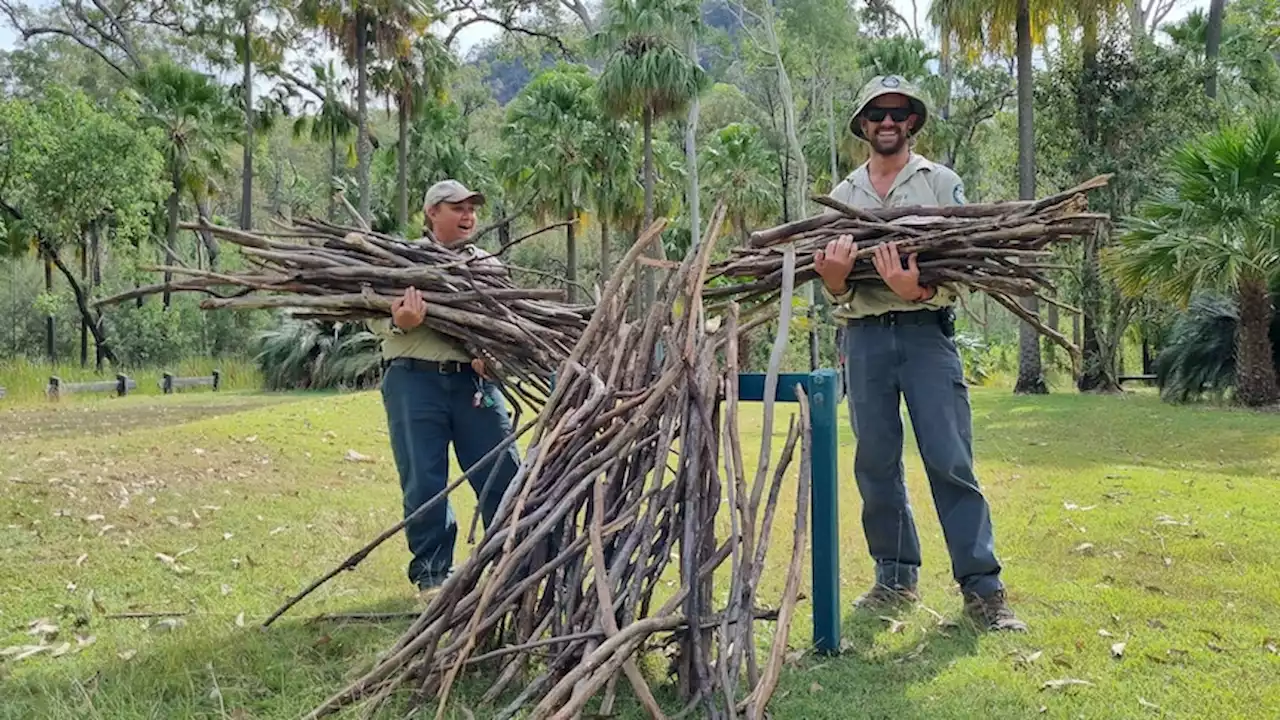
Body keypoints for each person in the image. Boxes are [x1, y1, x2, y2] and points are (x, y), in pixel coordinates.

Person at [813, 75, 1027, 632]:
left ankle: (984, 590)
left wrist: (919, 292)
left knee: (949, 459)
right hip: (862, 341)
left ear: (912, 122)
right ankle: (894, 577)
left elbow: (963, 269)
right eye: (877, 114)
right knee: (875, 462)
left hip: (926, 334)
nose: (887, 122)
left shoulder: (940, 183)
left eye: (898, 113)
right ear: (863, 125)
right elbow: (838, 287)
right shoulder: (843, 195)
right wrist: (834, 282)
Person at [369, 179, 522, 601]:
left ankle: (512, 565)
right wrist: (400, 322)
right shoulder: (401, 259)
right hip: (413, 379)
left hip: (473, 382)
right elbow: (369, 313)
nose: (468, 214)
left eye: (472, 207)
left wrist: (494, 358)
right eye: (457, 207)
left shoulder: (488, 265)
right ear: (432, 212)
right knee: (424, 479)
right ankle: (433, 576)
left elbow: (508, 323)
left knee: (503, 470)